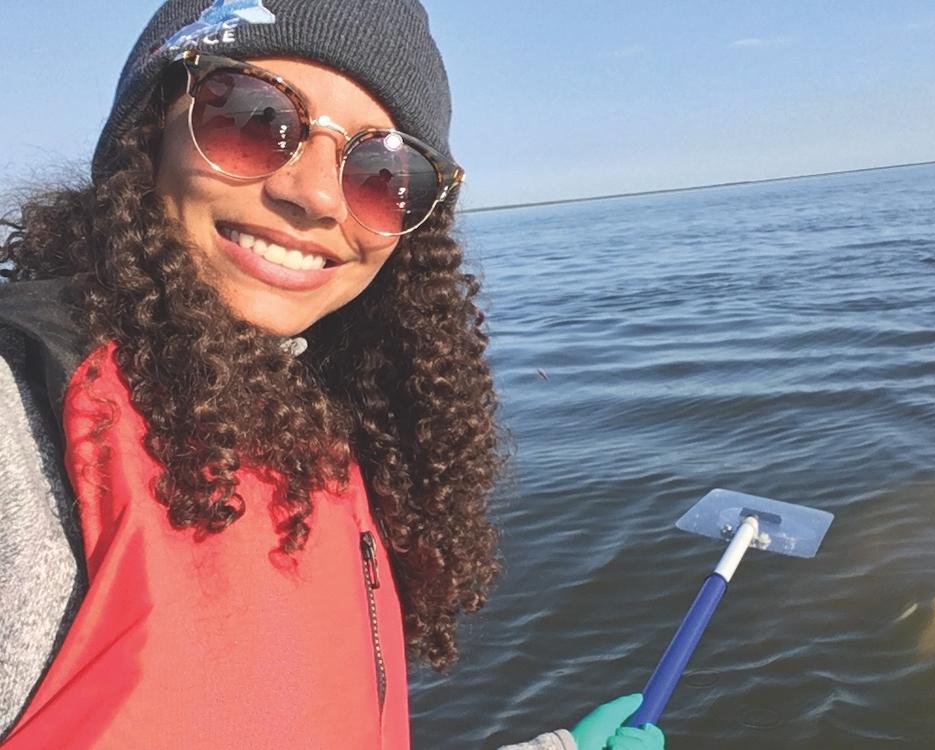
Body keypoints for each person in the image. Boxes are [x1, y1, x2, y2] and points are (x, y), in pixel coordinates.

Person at [0, 1, 665, 748]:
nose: (315, 197)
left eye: (384, 171)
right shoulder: (21, 418)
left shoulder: (322, 425)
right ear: (147, 131)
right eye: (254, 118)